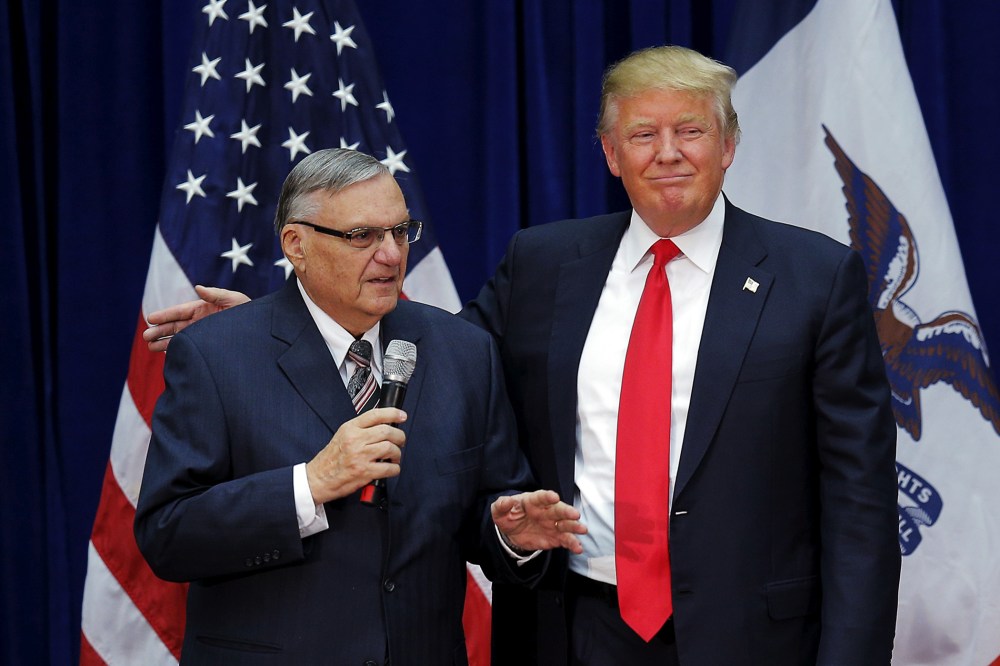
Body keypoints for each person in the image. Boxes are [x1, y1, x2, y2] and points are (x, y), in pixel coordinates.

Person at [144, 46, 900, 665]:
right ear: (610, 152)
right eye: (642, 134)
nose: (667, 153)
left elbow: (861, 506)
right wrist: (290, 327)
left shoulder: (816, 278)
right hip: (572, 630)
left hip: (751, 641)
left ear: (729, 144)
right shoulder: (543, 264)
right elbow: (427, 349)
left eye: (691, 131)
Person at [133, 148, 586, 665]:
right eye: (361, 236)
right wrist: (309, 485)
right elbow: (167, 533)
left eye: (400, 231)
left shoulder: (463, 352)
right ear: (296, 245)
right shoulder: (216, 353)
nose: (391, 255)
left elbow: (490, 502)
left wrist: (508, 533)